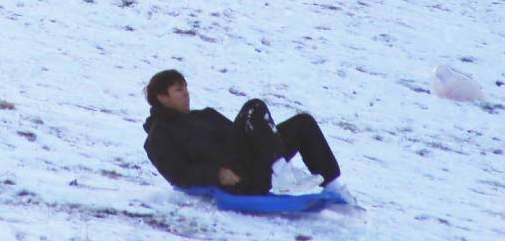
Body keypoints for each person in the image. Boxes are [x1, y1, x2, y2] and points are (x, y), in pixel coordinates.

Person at [141, 69, 349, 199]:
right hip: (238, 178)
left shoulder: (205, 115)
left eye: (186, 87)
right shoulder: (159, 135)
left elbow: (240, 135)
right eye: (178, 90)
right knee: (253, 108)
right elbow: (179, 174)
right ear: (162, 97)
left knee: (303, 122)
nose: (187, 93)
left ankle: (333, 187)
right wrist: (217, 174)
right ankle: (281, 173)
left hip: (254, 163)